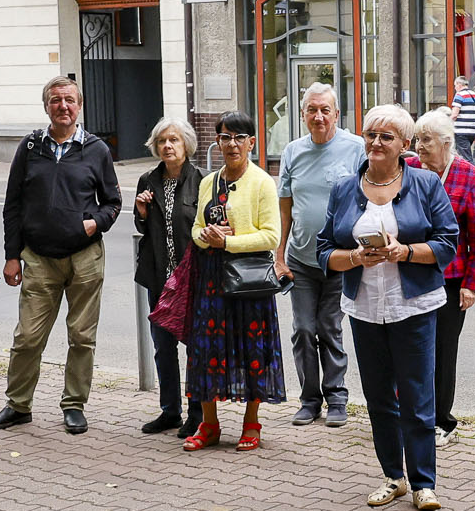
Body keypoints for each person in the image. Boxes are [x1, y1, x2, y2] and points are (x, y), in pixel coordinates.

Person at [321, 105, 459, 511]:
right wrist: (353, 259)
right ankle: (393, 478)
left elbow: (448, 242)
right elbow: (323, 250)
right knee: (379, 396)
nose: (376, 143)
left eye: (386, 137)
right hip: (364, 308)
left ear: (404, 145)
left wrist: (405, 252)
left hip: (413, 305)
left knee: (418, 396)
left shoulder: (425, 184)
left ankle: (423, 484)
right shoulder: (345, 189)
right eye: (370, 135)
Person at [0, 77, 121, 436]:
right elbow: (13, 205)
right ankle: (18, 405)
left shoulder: (96, 149)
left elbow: (114, 202)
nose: (63, 106)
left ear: (79, 105)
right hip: (38, 259)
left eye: (69, 100)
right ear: (46, 107)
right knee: (27, 337)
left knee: (81, 337)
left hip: (84, 257)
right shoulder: (30, 147)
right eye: (55, 100)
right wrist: (13, 256)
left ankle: (74, 405)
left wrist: (95, 223)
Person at [184, 110, 285, 450]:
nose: (231, 144)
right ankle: (208, 424)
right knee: (207, 349)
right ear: (218, 142)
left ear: (252, 143)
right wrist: (207, 235)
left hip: (248, 281)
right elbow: (196, 229)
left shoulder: (262, 182)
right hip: (211, 279)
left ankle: (251, 423)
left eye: (239, 138)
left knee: (251, 350)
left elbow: (271, 236)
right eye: (225, 137)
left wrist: (228, 241)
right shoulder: (208, 182)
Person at [276, 84, 366, 427]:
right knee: (302, 329)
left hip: (340, 258)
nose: (318, 116)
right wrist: (279, 255)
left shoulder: (355, 148)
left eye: (325, 110)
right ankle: (309, 400)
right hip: (300, 258)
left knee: (329, 327)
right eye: (312, 110)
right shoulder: (292, 152)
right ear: (303, 115)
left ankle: (337, 398)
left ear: (336, 114)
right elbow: (285, 207)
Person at [410, 108, 475, 445]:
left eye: (426, 140)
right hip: (412, 272)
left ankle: (441, 421)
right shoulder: (410, 168)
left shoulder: (467, 175)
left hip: (451, 278)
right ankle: (411, 416)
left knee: (443, 351)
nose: (420, 146)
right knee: (412, 349)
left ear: (446, 143)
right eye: (417, 139)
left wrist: (472, 283)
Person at [133, 117, 203, 437]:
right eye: (162, 141)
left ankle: (197, 412)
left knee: (195, 347)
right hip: (159, 277)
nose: (167, 146)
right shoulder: (148, 180)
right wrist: (142, 211)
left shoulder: (201, 180)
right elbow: (141, 227)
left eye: (173, 140)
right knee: (163, 346)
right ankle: (169, 410)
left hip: (192, 280)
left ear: (186, 144)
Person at [450, 75, 475, 159]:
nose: (455, 88)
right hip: (472, 132)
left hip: (461, 132)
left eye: (455, 85)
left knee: (466, 158)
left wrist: (445, 125)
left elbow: (454, 115)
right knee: (461, 157)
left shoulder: (459, 95)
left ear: (459, 84)